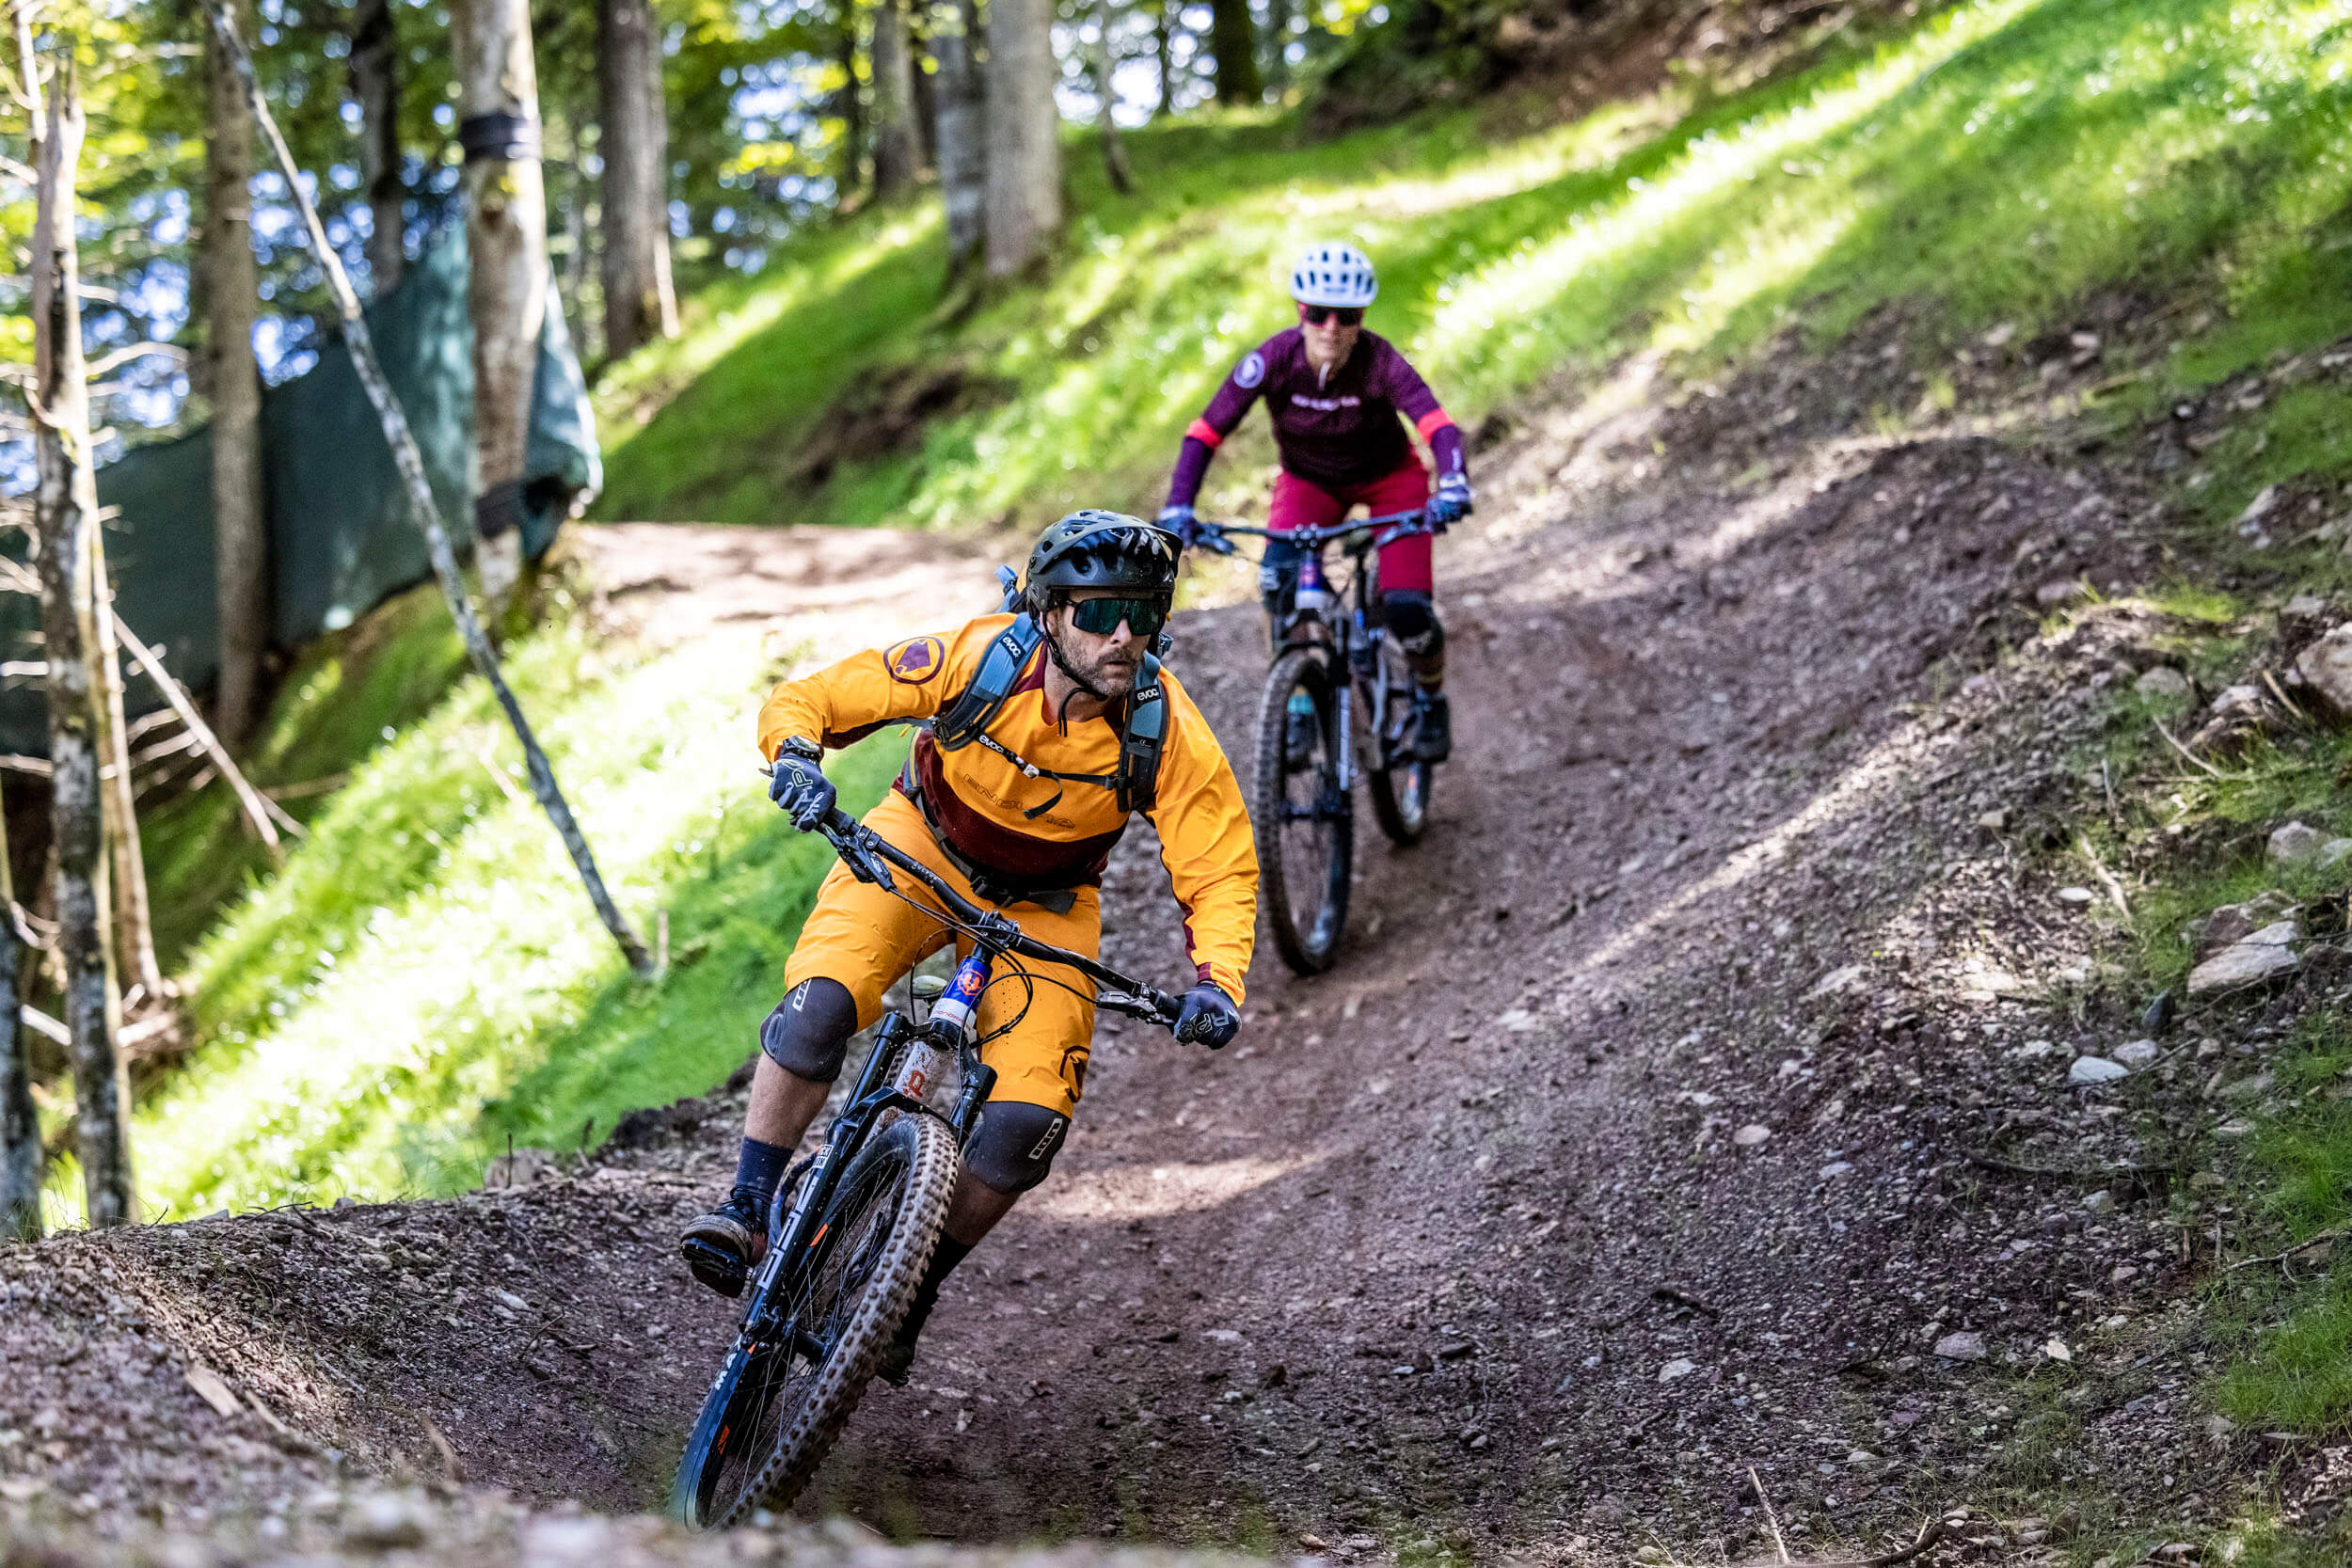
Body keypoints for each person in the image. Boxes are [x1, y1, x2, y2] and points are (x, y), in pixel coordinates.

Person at [681, 511, 1258, 1385]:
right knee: (819, 1010)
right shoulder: (978, 659)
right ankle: (748, 1202)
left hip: (1049, 907)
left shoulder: (1163, 726)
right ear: (1049, 612)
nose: (1125, 635)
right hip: (917, 847)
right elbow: (816, 697)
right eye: (1101, 613)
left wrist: (1218, 981)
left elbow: (1218, 862)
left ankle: (911, 1289)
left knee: (1028, 1127)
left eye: (1143, 612)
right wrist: (796, 756)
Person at [1157, 241, 1471, 763]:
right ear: (1300, 312)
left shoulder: (1379, 361)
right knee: (1280, 590)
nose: (1331, 326)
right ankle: (1299, 701)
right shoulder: (1273, 360)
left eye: (1346, 315)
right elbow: (1205, 432)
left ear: (1361, 317)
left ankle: (1430, 697)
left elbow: (1436, 424)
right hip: (1310, 483)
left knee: (1407, 609)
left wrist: (1454, 483)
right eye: (1317, 312)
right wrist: (1178, 507)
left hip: (1391, 480)